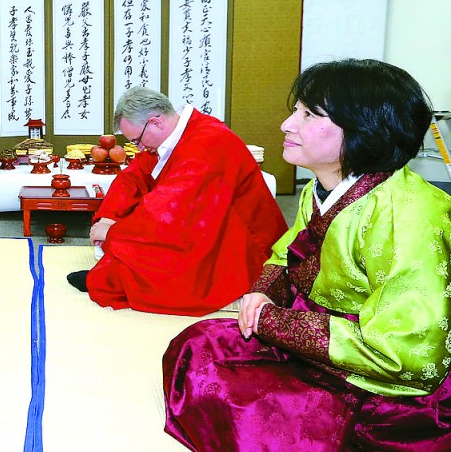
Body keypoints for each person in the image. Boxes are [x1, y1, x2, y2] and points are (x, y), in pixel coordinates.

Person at [163, 59, 451, 450]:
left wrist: (273, 323)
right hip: (313, 336)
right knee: (195, 348)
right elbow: (287, 254)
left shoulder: (412, 214)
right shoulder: (319, 186)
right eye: (295, 110)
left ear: (367, 130)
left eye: (310, 114)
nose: (287, 124)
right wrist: (263, 295)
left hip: (375, 378)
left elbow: (404, 348)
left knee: (263, 420)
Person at [67, 86, 288, 316]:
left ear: (155, 122)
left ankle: (113, 277)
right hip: (208, 224)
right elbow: (133, 177)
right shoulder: (182, 133)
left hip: (241, 246)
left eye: (138, 140)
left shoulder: (207, 140)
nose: (139, 148)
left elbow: (165, 211)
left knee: (146, 264)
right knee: (131, 247)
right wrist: (109, 217)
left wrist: (113, 233)